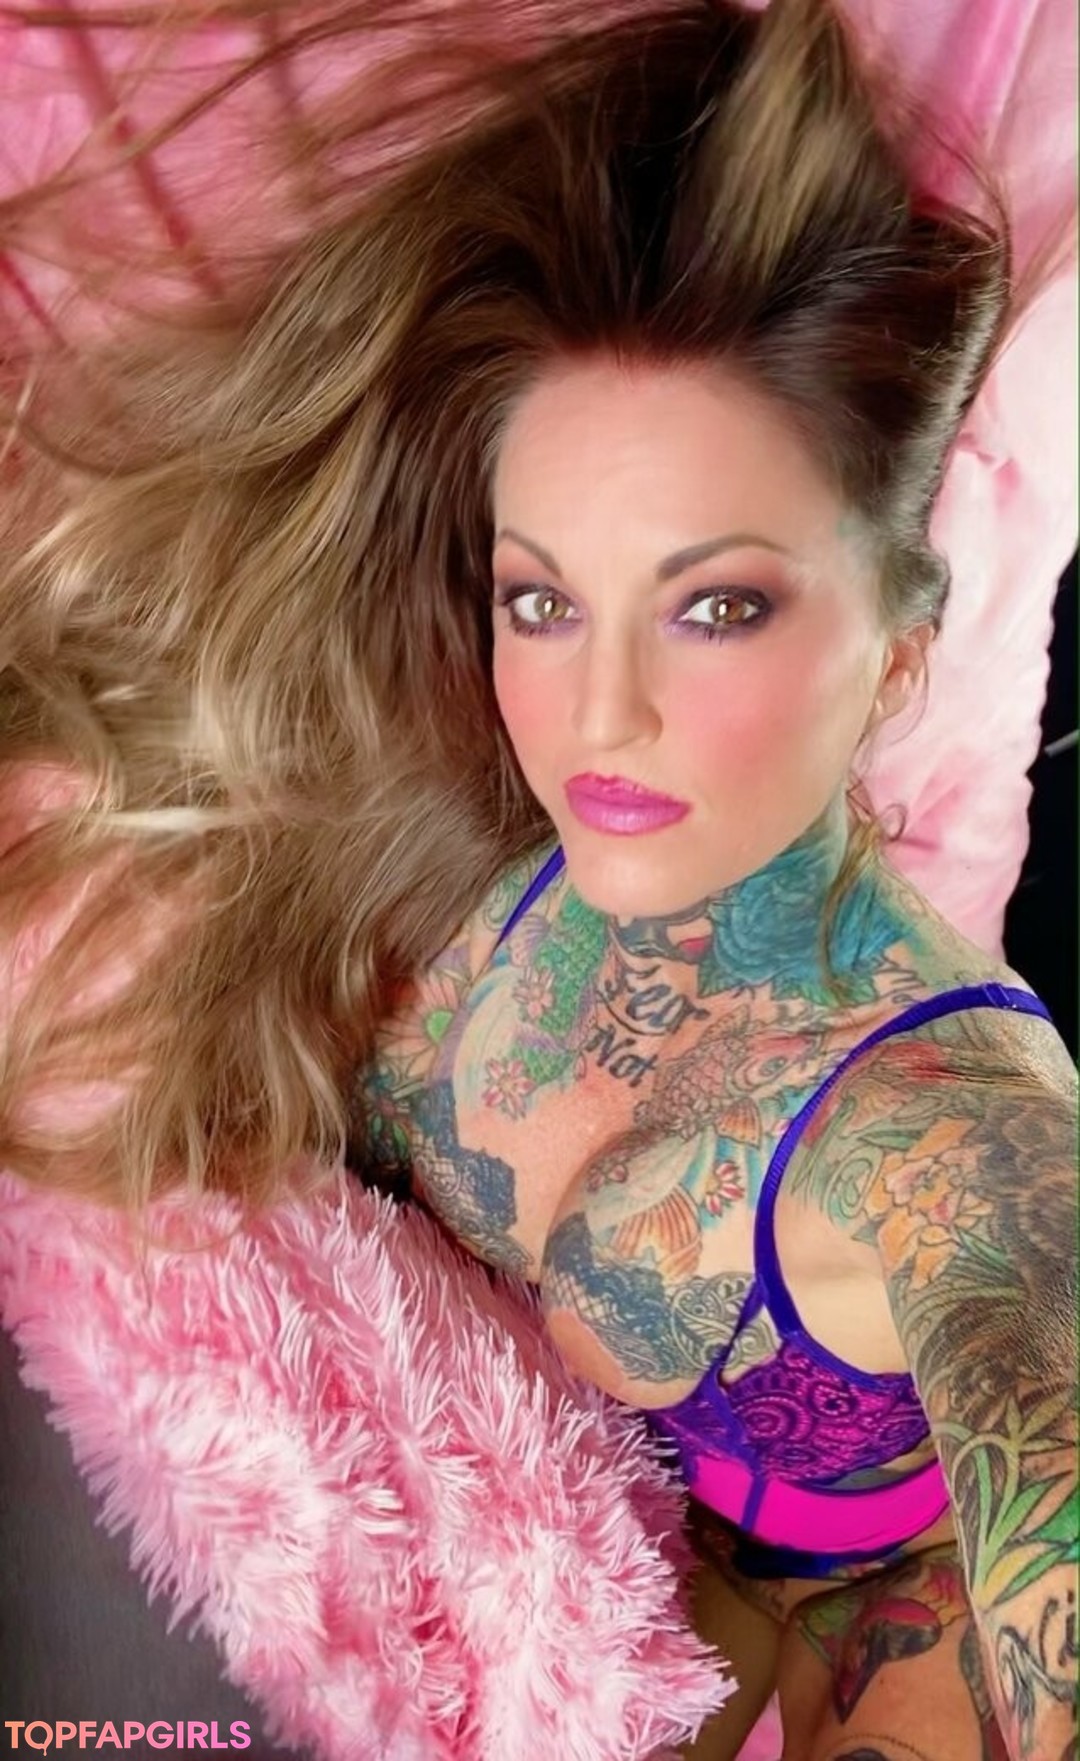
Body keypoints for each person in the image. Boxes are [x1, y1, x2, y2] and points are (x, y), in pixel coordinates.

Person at [0, 2, 1075, 1758]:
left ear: (895, 656)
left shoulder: (963, 1141)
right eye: (544, 598)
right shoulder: (452, 811)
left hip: (844, 1612)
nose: (603, 714)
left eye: (718, 605)